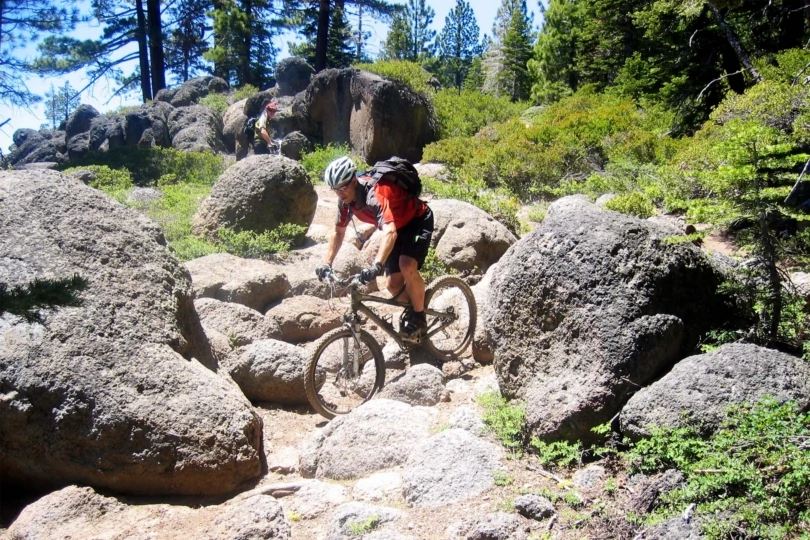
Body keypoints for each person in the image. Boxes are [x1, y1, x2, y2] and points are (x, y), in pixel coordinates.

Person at [315, 156, 434, 338]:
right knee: (393, 285)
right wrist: (326, 263)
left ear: (354, 180)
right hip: (397, 227)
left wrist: (377, 264)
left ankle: (420, 317)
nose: (340, 193)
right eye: (335, 190)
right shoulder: (345, 203)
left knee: (406, 266)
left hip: (417, 220)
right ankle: (415, 306)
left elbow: (390, 232)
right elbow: (338, 233)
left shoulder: (375, 194)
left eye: (344, 187)